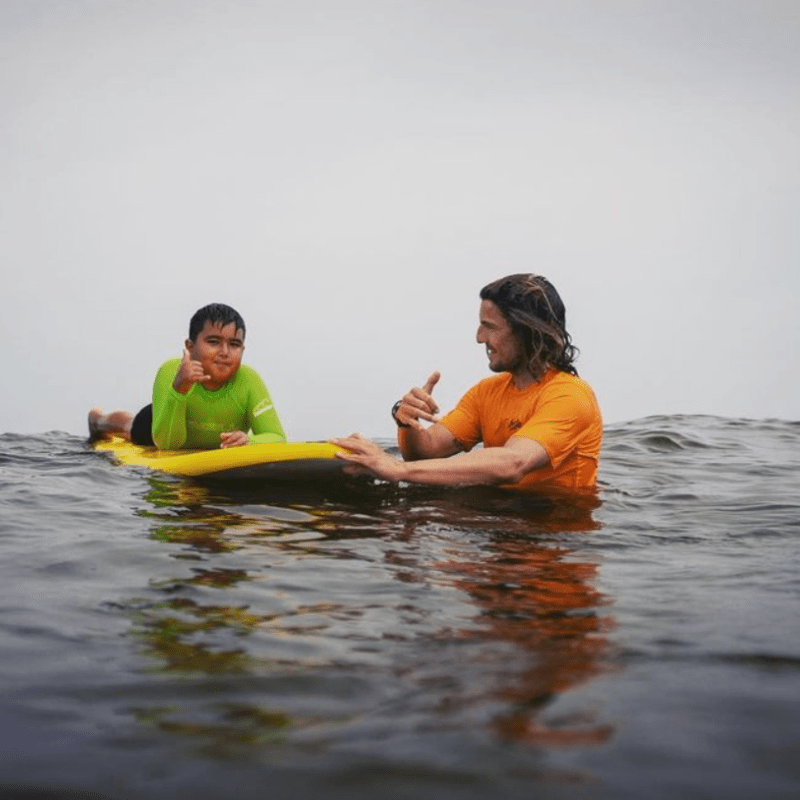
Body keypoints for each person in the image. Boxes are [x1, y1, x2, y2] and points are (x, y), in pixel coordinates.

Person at [332, 274, 602, 490]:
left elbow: (513, 464)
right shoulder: (487, 392)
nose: (479, 337)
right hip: (500, 525)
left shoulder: (571, 396)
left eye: (490, 327)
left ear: (526, 332)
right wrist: (406, 421)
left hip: (556, 535)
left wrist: (397, 469)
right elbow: (425, 454)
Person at [88, 303, 286, 449]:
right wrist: (179, 388)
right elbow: (167, 444)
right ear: (190, 347)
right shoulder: (171, 371)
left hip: (213, 447)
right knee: (130, 427)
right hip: (165, 421)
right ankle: (98, 420)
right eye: (214, 341)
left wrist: (249, 440)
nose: (225, 352)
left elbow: (277, 436)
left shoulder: (249, 380)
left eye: (234, 344)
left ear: (242, 349)